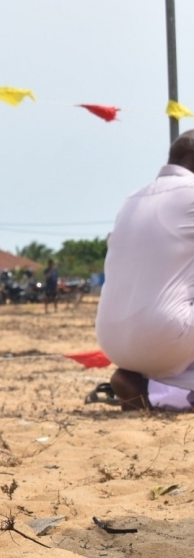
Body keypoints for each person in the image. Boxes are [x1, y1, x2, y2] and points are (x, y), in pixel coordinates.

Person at [95, 130, 194, 412]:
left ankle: (143, 384)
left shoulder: (133, 198)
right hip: (166, 337)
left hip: (114, 343)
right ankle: (156, 388)